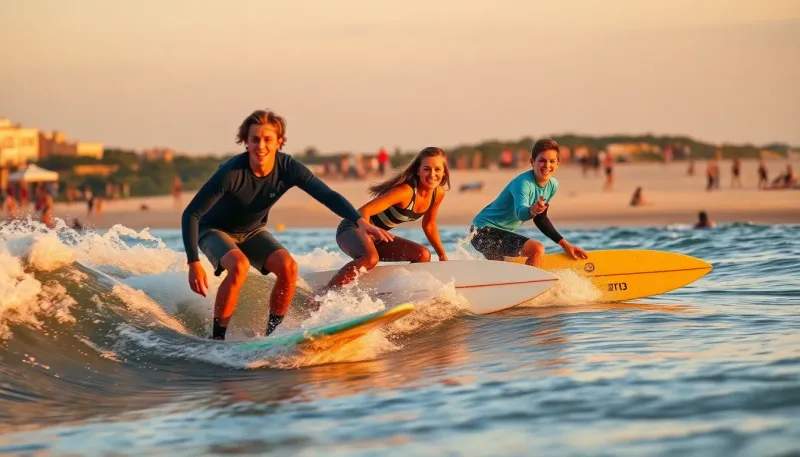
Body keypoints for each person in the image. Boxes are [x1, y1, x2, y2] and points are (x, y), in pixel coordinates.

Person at [181, 110, 389, 341]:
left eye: (268, 139)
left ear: (279, 141)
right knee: (239, 265)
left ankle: (273, 334)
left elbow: (327, 195)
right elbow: (191, 213)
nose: (261, 146)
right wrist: (193, 263)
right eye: (255, 139)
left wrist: (360, 221)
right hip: (214, 230)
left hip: (252, 231)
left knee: (288, 267)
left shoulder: (288, 167)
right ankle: (217, 338)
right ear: (246, 142)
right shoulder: (231, 173)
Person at [325, 147, 451, 289]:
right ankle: (322, 296)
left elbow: (429, 224)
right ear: (418, 170)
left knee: (423, 255)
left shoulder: (438, 193)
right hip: (351, 229)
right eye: (427, 169)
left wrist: (442, 255)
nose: (432, 174)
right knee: (371, 258)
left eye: (438, 169)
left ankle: (405, 293)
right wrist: (369, 233)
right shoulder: (405, 192)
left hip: (376, 236)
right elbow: (364, 211)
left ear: (444, 171)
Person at [469, 138, 588, 268]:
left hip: (498, 233)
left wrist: (565, 245)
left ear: (558, 163)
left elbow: (541, 219)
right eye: (542, 160)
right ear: (532, 162)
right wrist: (532, 210)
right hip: (481, 231)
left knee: (503, 270)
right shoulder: (523, 183)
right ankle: (530, 286)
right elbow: (521, 213)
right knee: (536, 250)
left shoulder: (552, 185)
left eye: (552, 161)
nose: (547, 165)